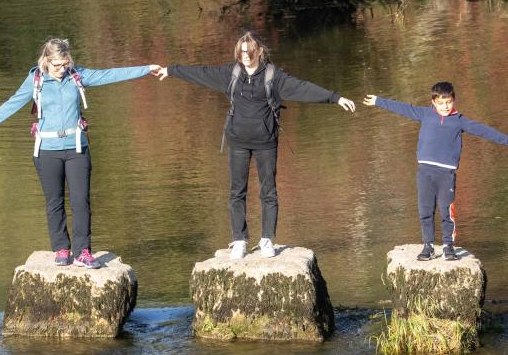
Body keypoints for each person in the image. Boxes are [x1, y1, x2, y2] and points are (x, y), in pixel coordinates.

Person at [153, 31, 355, 259]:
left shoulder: (273, 77)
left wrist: (335, 97)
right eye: (242, 52)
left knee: (268, 192)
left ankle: (267, 239)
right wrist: (170, 70)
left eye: (249, 51)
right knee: (236, 192)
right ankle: (239, 240)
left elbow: (302, 88)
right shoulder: (231, 74)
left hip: (266, 142)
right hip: (237, 141)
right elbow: (202, 72)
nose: (246, 55)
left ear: (259, 51)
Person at [0, 37, 158, 268]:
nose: (61, 70)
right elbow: (12, 104)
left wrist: (146, 69)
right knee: (54, 202)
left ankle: (83, 252)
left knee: (81, 200)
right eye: (56, 65)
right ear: (46, 61)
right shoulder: (35, 80)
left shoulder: (77, 76)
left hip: (77, 148)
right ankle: (61, 248)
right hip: (47, 151)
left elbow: (110, 74)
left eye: (65, 64)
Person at [364, 82, 508, 260]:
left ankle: (448, 247)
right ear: (433, 102)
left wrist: (505, 140)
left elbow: (483, 131)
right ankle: (428, 246)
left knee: (447, 212)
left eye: (448, 102)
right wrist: (379, 101)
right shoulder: (425, 114)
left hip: (446, 174)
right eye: (441, 103)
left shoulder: (459, 121)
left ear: (453, 100)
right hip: (425, 172)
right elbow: (403, 108)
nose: (445, 106)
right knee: (425, 210)